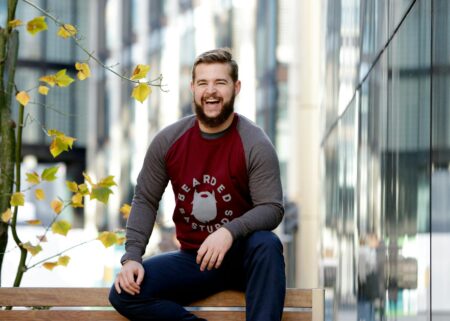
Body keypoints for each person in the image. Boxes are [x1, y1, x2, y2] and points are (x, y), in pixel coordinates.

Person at [109, 48, 286, 321]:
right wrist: (132, 256)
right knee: (124, 292)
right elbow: (145, 198)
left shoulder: (254, 143)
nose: (211, 91)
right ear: (192, 88)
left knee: (267, 243)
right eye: (203, 83)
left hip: (245, 260)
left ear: (236, 87)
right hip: (195, 261)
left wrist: (229, 232)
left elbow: (272, 208)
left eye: (220, 82)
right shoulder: (169, 141)